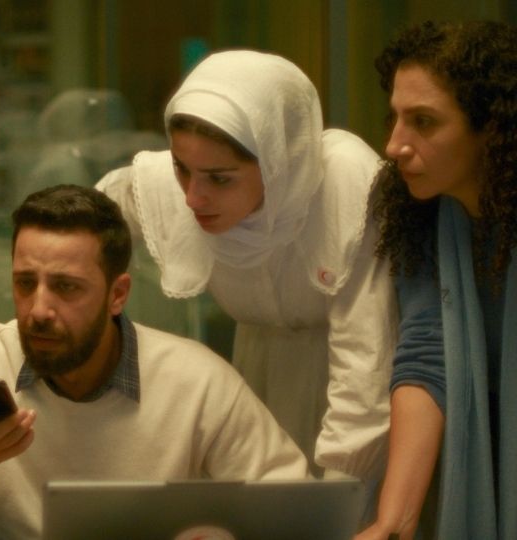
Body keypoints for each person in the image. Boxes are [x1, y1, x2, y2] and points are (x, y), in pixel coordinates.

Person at [0, 184, 308, 539]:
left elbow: (295, 509)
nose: (38, 310)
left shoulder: (196, 381)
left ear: (117, 294)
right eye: (25, 283)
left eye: (66, 287)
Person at [96, 50, 397, 487]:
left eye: (220, 179)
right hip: (251, 383)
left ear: (277, 163)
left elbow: (365, 366)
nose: (192, 198)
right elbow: (84, 224)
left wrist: (335, 498)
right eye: (181, 168)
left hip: (347, 399)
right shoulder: (175, 182)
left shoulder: (345, 185)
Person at [356, 20, 517, 540]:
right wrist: (393, 521)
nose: (394, 145)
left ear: (492, 128)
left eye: (423, 122)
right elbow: (428, 355)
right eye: (395, 118)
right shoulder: (413, 207)